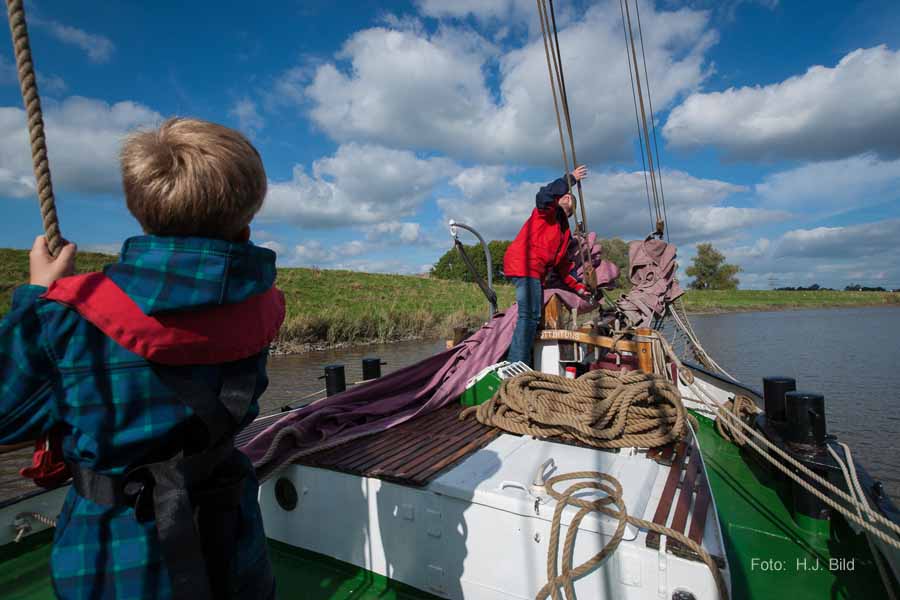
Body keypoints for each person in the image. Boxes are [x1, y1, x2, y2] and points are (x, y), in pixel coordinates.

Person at [0, 118, 283, 599]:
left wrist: (34, 295)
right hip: (230, 535)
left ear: (139, 210)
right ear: (247, 221)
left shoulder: (64, 318)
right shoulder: (265, 304)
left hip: (115, 553)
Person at [503, 165, 590, 367]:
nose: (567, 196)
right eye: (565, 195)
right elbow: (544, 195)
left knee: (532, 316)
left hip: (534, 271)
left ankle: (519, 361)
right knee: (529, 316)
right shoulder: (547, 213)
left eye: (570, 198)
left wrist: (579, 287)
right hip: (525, 264)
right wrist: (570, 179)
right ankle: (516, 365)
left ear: (572, 212)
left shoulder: (564, 233)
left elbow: (562, 266)